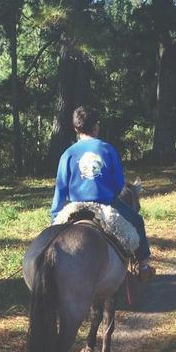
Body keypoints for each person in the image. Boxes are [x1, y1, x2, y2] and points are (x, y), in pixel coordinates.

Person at [52, 106, 155, 281]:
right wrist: (110, 194)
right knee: (137, 221)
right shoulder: (108, 149)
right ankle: (143, 266)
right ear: (96, 126)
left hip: (75, 206)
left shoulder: (67, 154)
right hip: (106, 205)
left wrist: (55, 216)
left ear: (75, 128)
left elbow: (60, 188)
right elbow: (119, 184)